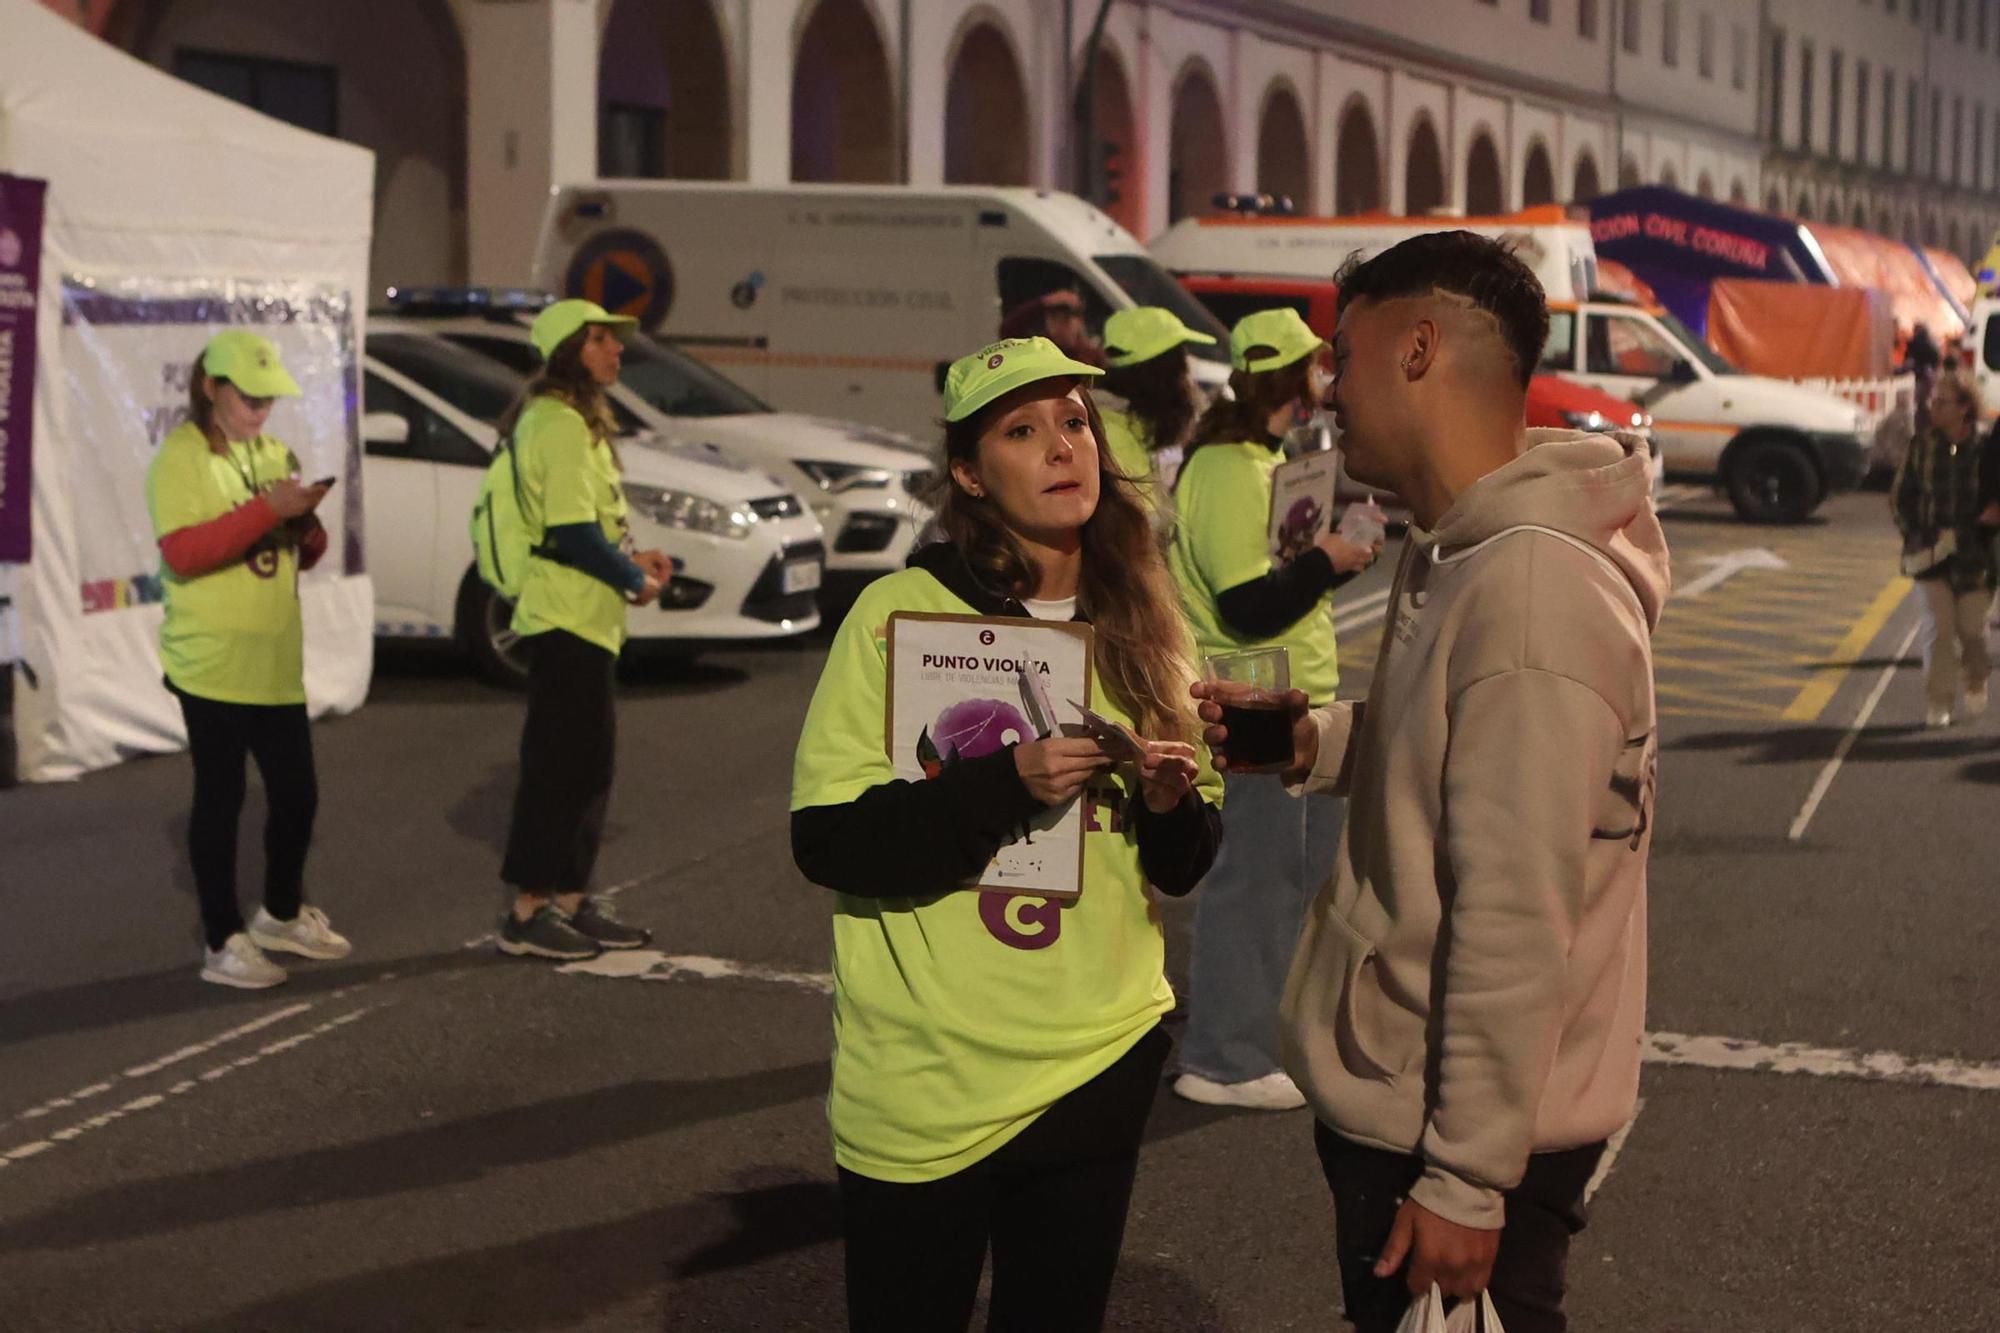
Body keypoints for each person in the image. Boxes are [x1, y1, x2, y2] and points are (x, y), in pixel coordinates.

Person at [1196, 231, 1667, 1333]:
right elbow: (1468, 755)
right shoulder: (1466, 547)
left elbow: (1514, 912)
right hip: (1422, 1087)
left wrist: (1461, 1178)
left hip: (1440, 1122)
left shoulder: (1530, 589)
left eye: (1341, 353)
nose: (1326, 385)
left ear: (1415, 349)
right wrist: (1314, 741)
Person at [790, 336, 1224, 1332]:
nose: (1061, 445)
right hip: (925, 1075)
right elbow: (830, 842)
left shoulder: (1146, 619)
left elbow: (1185, 860)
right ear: (968, 473)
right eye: (1020, 431)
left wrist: (1166, 802)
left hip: (1094, 1060)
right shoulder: (899, 615)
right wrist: (1004, 782)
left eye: (1073, 421)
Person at [1165, 307, 1379, 1111]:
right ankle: (1223, 1057)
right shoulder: (1226, 466)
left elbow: (1281, 586)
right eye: (1317, 370)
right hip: (1249, 695)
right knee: (1254, 881)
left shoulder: (1263, 457)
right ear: (1291, 377)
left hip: (1292, 696)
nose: (1328, 384)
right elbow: (1247, 604)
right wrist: (1328, 557)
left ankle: (1262, 1037)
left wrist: (1338, 562)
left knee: (1294, 882)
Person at [147, 330, 351, 988]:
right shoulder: (179, 457)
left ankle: (281, 914)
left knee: (299, 795)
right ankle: (220, 939)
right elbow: (183, 552)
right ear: (211, 389)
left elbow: (297, 555)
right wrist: (267, 509)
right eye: (249, 395)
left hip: (273, 659)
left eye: (269, 396)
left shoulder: (273, 452)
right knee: (222, 795)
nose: (261, 407)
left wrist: (305, 526)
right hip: (210, 659)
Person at [494, 299, 672, 960]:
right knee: (558, 765)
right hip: (564, 613)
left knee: (591, 762)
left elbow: (594, 526)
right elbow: (569, 532)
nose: (616, 350)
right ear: (570, 350)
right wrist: (635, 579)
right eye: (601, 340)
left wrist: (633, 562)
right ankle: (527, 910)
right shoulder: (558, 424)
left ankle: (570, 898)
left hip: (589, 617)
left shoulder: (578, 422)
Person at [1893, 367, 1995, 728]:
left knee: (1971, 630)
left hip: (1974, 556)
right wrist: (1915, 535)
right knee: (1939, 626)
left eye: (1942, 401)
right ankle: (1939, 700)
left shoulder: (1985, 448)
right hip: (1932, 553)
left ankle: (1977, 675)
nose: (1933, 407)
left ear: (1965, 408)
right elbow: (1901, 496)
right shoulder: (1921, 445)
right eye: (1933, 400)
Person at [1097, 306, 1216, 510]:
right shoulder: (1113, 436)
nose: (1190, 379)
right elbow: (1146, 526)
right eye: (1183, 365)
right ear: (1164, 376)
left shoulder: (1133, 429)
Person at [999, 289, 1107, 368]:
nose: (1059, 327)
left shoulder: (1090, 355)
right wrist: (1044, 302)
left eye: (1065, 320)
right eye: (1054, 319)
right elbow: (1007, 330)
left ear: (1079, 322)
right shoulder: (1038, 349)